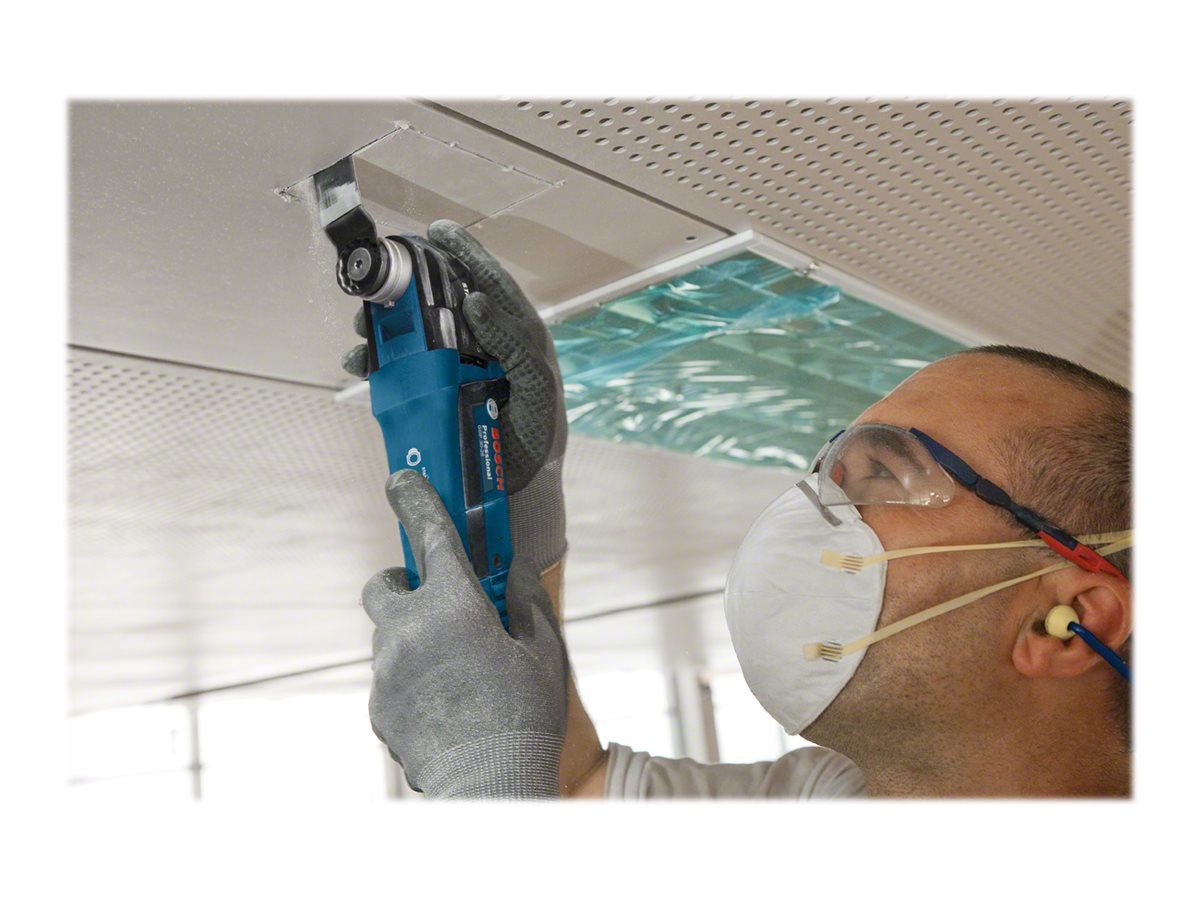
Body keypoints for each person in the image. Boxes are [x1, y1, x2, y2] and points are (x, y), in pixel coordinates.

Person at [346, 221, 1132, 799]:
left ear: (1066, 623)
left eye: (887, 474)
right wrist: (515, 507)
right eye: (830, 467)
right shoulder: (824, 800)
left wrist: (486, 794)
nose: (817, 505)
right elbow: (571, 786)